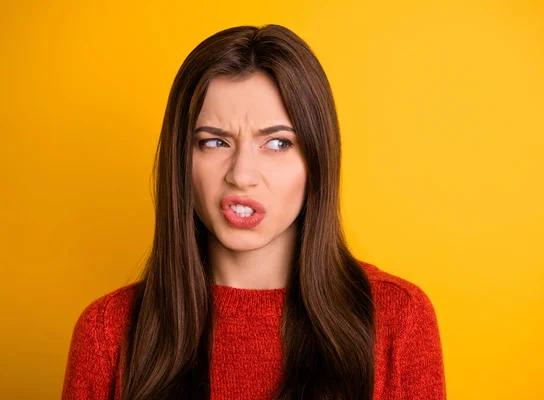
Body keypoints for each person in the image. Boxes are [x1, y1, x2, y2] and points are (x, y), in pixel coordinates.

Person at [61, 24, 446, 400]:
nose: (241, 176)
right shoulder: (107, 334)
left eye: (278, 143)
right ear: (181, 162)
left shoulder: (398, 319)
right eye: (214, 141)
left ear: (317, 160)